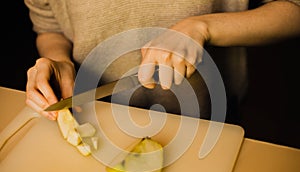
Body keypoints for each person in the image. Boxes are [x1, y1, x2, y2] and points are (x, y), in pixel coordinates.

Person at [24, 0, 300, 121]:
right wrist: (58, 60)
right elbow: (49, 26)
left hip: (210, 117)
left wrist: (204, 27)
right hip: (95, 116)